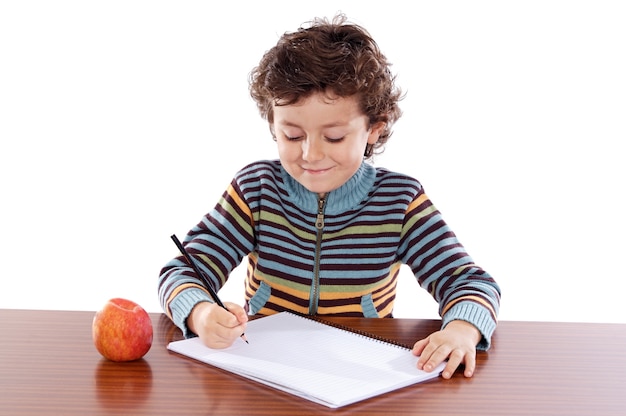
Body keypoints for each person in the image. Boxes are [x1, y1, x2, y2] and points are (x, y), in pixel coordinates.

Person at [158, 14, 501, 380]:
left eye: (334, 137)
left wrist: (462, 329)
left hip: (358, 374)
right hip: (267, 372)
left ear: (374, 128)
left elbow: (470, 282)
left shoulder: (400, 202)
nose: (311, 154)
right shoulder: (255, 189)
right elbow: (181, 270)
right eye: (291, 135)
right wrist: (201, 313)